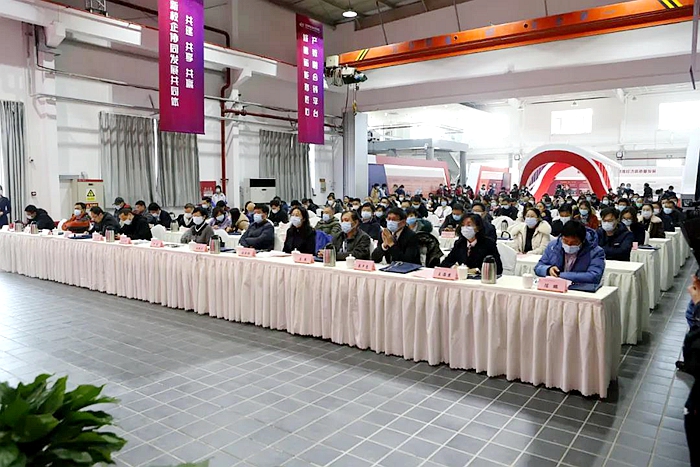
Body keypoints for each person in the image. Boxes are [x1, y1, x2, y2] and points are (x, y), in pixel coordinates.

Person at [535, 220, 605, 285]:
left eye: (574, 243)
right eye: (565, 241)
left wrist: (560, 275)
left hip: (580, 289)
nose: (569, 245)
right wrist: (548, 270)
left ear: (583, 241)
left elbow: (594, 276)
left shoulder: (596, 252)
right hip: (555, 287)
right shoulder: (553, 246)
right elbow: (538, 267)